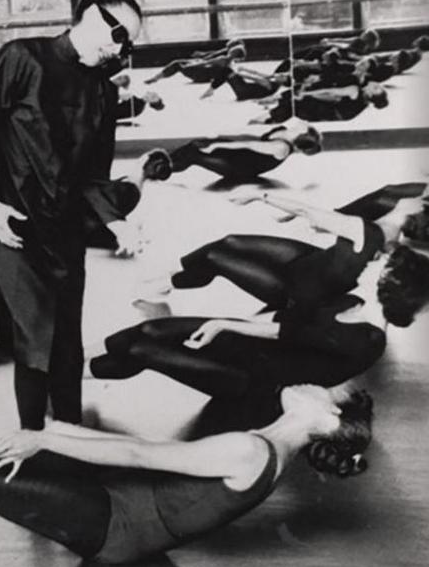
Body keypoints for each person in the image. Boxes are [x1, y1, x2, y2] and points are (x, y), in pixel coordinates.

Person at [0, 384, 372, 564]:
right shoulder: (269, 444)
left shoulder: (252, 449)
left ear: (329, 417)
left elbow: (140, 455)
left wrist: (49, 438)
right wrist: (63, 431)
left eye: (329, 390)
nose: (316, 383)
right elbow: (147, 452)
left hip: (120, 529)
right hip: (125, 505)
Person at [0, 0, 143, 430]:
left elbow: (94, 175)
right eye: (119, 34)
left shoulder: (104, 91)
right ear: (93, 14)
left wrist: (116, 222)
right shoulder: (23, 57)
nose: (120, 49)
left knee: (67, 336)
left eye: (129, 44)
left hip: (64, 227)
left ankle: (71, 433)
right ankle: (33, 435)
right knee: (37, 330)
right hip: (10, 221)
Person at [155, 191, 428, 322]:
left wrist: (259, 195)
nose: (418, 195)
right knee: (231, 242)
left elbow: (306, 211)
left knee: (216, 257)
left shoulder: (367, 232)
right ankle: (176, 271)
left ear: (413, 213)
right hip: (309, 261)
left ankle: (169, 282)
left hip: (294, 291)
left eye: (422, 200)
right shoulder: (397, 244)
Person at [89, 293, 385, 396]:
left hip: (249, 379)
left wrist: (223, 324)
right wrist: (229, 325)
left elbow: (287, 333)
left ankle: (68, 374)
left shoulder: (367, 341)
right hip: (246, 343)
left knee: (140, 351)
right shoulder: (350, 302)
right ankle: (70, 360)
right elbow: (283, 317)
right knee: (149, 329)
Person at [166, 120, 322, 181]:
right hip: (241, 156)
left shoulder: (281, 147)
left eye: (306, 126)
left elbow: (248, 144)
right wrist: (221, 138)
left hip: (238, 168)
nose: (304, 123)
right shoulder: (283, 130)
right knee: (197, 143)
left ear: (302, 133)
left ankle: (165, 169)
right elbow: (253, 138)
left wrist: (216, 145)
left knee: (194, 155)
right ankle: (166, 159)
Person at [250, 82, 387, 125]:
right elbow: (335, 101)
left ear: (371, 94)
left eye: (376, 88)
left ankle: (268, 109)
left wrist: (307, 94)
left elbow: (330, 91)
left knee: (297, 97)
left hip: (322, 112)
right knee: (295, 103)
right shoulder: (364, 103)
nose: (375, 84)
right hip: (326, 116)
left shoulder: (354, 90)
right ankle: (270, 110)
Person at [143, 39, 246, 85]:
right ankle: (156, 78)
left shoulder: (224, 59)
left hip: (201, 74)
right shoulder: (229, 60)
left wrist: (192, 64)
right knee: (183, 62)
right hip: (204, 73)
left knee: (177, 63)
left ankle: (155, 78)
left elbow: (207, 62)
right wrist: (201, 56)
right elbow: (212, 56)